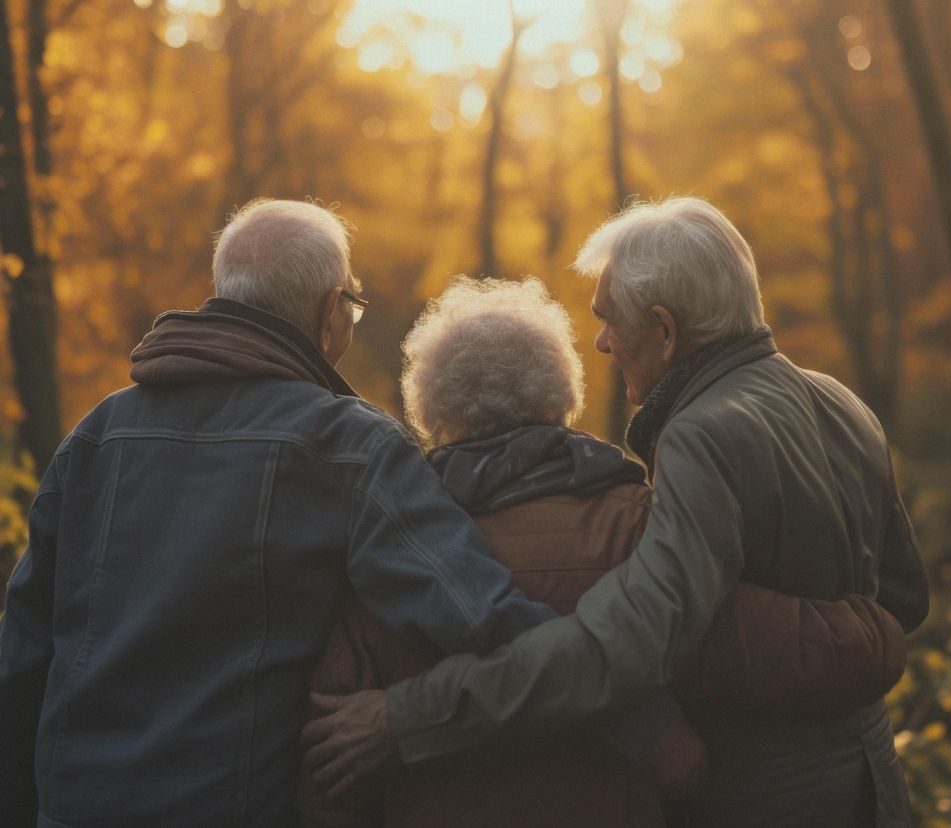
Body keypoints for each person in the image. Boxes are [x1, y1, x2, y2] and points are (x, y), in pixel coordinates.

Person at [302, 198, 930, 827]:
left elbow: (632, 642)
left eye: (608, 320)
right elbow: (904, 600)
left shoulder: (701, 435)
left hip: (766, 795)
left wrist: (406, 717)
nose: (600, 342)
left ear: (664, 329)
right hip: (874, 780)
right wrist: (852, 643)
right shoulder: (840, 400)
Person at [0, 199, 560, 827]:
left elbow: (22, 658)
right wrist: (637, 708)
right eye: (352, 301)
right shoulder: (349, 447)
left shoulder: (96, 437)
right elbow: (480, 620)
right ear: (330, 314)